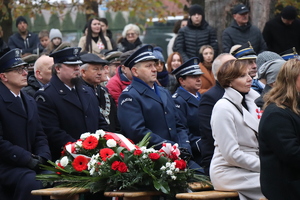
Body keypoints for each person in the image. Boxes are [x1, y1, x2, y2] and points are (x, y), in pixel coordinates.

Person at [118, 45, 204, 173]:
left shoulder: (164, 92)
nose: (154, 69)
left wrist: (184, 147)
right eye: (148, 66)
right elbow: (138, 132)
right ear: (135, 71)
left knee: (204, 178)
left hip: (176, 155)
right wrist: (170, 146)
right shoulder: (130, 95)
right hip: (152, 160)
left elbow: (179, 125)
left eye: (154, 65)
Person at [34, 47, 108, 161]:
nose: (77, 68)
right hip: (67, 159)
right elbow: (53, 132)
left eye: (78, 65)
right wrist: (82, 149)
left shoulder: (87, 91)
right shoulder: (46, 95)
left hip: (95, 155)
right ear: (58, 68)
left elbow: (99, 121)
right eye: (71, 66)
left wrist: (103, 143)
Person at [210, 59, 264, 200]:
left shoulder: (255, 100)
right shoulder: (222, 107)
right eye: (242, 76)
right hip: (229, 171)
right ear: (228, 81)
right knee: (279, 183)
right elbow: (231, 154)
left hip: (252, 166)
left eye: (248, 74)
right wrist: (266, 165)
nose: (249, 78)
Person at [0, 49, 51, 200]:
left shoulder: (29, 100)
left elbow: (40, 134)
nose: (24, 73)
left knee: (53, 176)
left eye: (24, 68)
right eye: (18, 70)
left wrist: (43, 157)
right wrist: (27, 159)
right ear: (3, 76)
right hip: (7, 165)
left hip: (28, 163)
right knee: (30, 180)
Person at [259, 58, 300, 200]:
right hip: (287, 188)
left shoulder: (295, 108)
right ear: (290, 81)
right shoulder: (276, 114)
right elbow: (292, 155)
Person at [198, 53, 236, 175]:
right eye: (232, 65)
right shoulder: (211, 98)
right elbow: (212, 135)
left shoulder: (248, 95)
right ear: (221, 72)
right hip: (223, 162)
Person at [171, 57, 203, 164]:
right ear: (181, 80)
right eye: (194, 76)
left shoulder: (200, 96)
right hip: (196, 152)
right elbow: (182, 130)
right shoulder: (178, 101)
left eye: (199, 76)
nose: (199, 79)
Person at [80, 53, 119, 132]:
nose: (100, 73)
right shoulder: (79, 92)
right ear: (83, 72)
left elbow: (114, 117)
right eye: (95, 69)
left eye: (101, 69)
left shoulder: (103, 91)